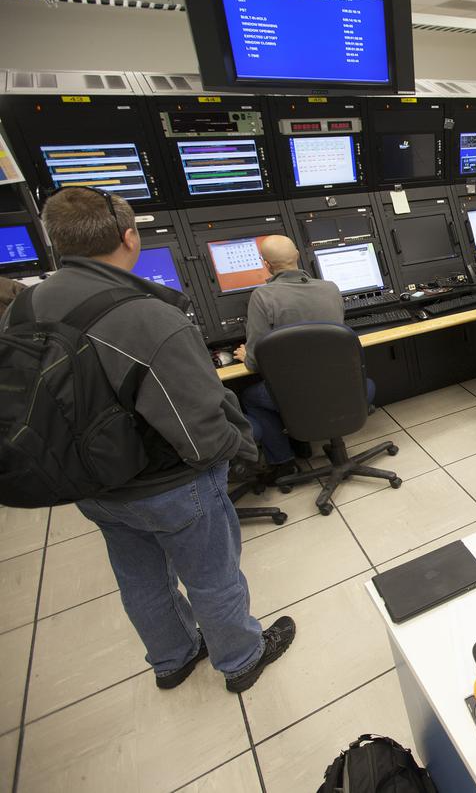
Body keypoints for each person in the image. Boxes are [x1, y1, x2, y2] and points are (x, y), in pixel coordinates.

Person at [0, 187, 294, 693]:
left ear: (55, 242)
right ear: (129, 237)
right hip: (169, 483)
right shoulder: (148, 315)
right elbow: (201, 422)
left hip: (92, 484)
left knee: (139, 576)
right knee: (212, 577)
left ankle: (172, 658)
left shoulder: (24, 308)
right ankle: (242, 659)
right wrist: (245, 454)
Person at [233, 234, 344, 478]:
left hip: (297, 394)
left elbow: (255, 363)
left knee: (250, 396)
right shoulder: (331, 288)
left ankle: (283, 462)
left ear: (266, 264)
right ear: (297, 255)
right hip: (341, 386)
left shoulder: (262, 297)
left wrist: (244, 355)